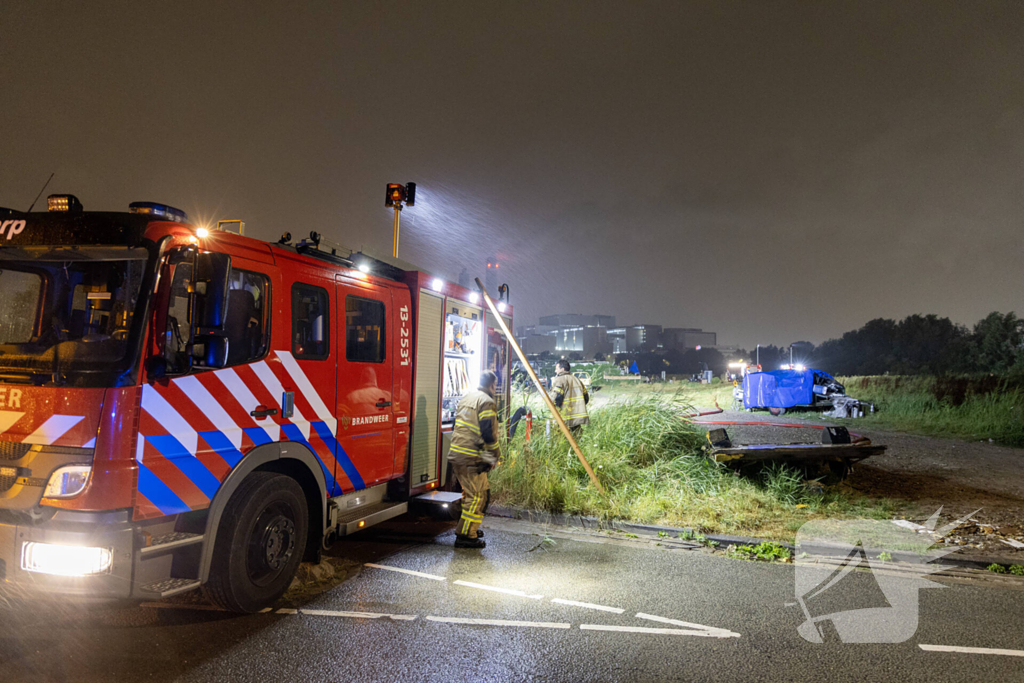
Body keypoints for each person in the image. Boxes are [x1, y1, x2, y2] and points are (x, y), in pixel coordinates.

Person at [448, 371, 502, 549]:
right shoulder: (487, 402)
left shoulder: (467, 397)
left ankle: (469, 528)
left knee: (474, 493)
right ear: (492, 385)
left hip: (458, 454)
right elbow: (487, 433)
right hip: (472, 457)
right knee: (477, 496)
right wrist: (493, 456)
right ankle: (465, 535)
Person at [551, 359, 589, 437]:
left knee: (562, 439)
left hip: (565, 417)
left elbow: (556, 398)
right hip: (577, 418)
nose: (555, 371)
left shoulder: (559, 380)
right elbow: (586, 398)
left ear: (562, 369)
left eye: (557, 368)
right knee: (577, 440)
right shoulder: (577, 380)